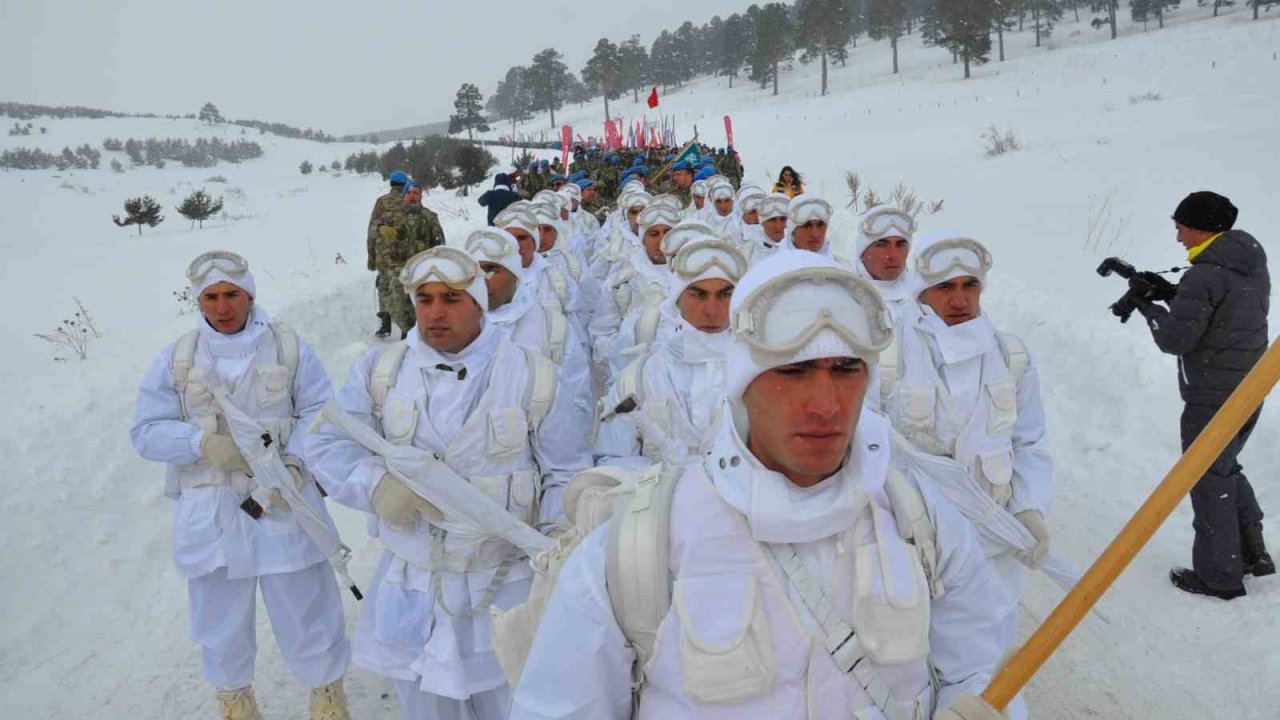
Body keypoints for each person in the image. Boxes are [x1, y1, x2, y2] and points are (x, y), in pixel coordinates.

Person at [510, 251, 1015, 720]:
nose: (826, 404)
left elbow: (979, 668)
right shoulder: (638, 548)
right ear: (741, 383)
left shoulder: (920, 522)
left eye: (846, 369)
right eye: (793, 372)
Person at [306, 246, 591, 720]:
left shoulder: (532, 376)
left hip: (505, 584)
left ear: (479, 304)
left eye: (451, 299)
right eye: (425, 299)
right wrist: (376, 485)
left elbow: (565, 470)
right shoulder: (382, 372)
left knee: (516, 703)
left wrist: (557, 537)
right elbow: (329, 446)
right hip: (415, 584)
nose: (435, 312)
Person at [130, 251, 351, 720]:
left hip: (282, 499)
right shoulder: (179, 358)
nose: (222, 307)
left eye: (232, 294)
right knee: (218, 617)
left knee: (305, 605)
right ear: (199, 301)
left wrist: (296, 463)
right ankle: (235, 701)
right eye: (210, 297)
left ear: (250, 294)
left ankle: (326, 695)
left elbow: (322, 412)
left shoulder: (287, 347)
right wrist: (198, 442)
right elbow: (145, 430)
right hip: (210, 508)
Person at [880, 235, 1053, 662]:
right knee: (914, 659)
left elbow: (1029, 440)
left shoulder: (1011, 355)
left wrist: (1030, 505)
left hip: (993, 545)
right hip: (916, 544)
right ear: (923, 292)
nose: (959, 300)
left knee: (988, 661)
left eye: (969, 286)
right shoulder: (887, 354)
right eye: (945, 288)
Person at [1130, 191, 1273, 599]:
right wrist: (1172, 294)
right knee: (1223, 466)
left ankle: (1219, 577)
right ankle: (1252, 553)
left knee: (1205, 475)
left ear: (1199, 227)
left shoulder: (1206, 273)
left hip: (1212, 392)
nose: (1177, 237)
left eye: (1180, 227)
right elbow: (1220, 310)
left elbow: (1176, 339)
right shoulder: (1245, 260)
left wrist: (1148, 307)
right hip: (1249, 384)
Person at [595, 237, 748, 468]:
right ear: (677, 298)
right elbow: (613, 461)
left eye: (725, 294)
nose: (712, 311)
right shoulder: (639, 378)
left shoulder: (760, 376)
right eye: (698, 294)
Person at [374, 184, 448, 339]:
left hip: (422, 268)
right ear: (404, 195)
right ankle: (406, 331)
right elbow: (375, 224)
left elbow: (440, 243)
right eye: (409, 193)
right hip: (397, 269)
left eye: (416, 193)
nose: (413, 196)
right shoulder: (393, 215)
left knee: (419, 304)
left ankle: (413, 336)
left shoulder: (429, 217)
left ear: (421, 196)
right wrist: (381, 228)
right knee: (398, 305)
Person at [854, 205, 918, 316]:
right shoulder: (844, 297)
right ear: (862, 252)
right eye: (881, 245)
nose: (893, 255)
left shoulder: (925, 298)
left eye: (900, 245)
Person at [369, 170, 411, 338]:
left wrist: (371, 256)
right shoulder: (409, 202)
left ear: (391, 183)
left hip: (383, 255)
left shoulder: (381, 202)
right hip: (403, 255)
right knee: (402, 289)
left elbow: (372, 230)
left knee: (384, 287)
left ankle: (385, 324)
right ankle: (405, 330)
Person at [743, 193, 791, 265]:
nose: (778, 226)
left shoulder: (799, 248)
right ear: (762, 222)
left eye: (783, 219)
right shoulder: (748, 252)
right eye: (772, 220)